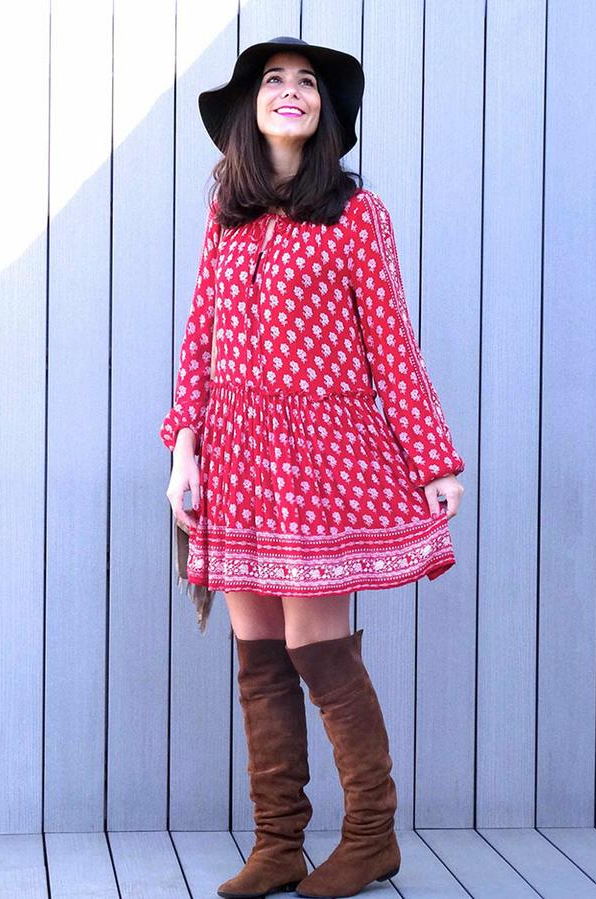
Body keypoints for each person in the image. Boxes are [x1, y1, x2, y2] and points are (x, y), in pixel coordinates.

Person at [159, 36, 466, 898]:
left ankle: (371, 835)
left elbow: (390, 346)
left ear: (326, 111)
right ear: (249, 110)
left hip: (320, 458)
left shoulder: (356, 215)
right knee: (256, 650)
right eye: (273, 81)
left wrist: (434, 457)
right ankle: (277, 843)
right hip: (236, 455)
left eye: (306, 84)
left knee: (312, 645)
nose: (290, 92)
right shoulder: (226, 214)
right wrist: (185, 450)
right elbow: (200, 344)